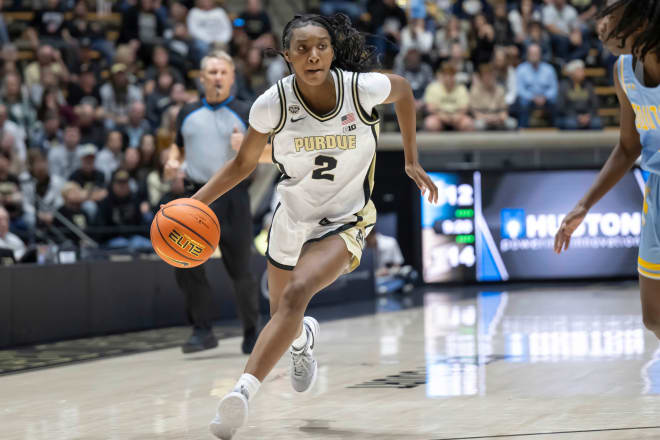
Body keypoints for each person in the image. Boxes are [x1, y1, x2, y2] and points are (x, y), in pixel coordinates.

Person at [190, 13, 438, 439]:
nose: (313, 55)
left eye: (321, 45)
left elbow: (404, 91)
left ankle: (240, 396)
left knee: (298, 292)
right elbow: (242, 164)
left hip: (346, 219)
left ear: (332, 50)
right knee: (283, 315)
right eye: (302, 48)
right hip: (292, 216)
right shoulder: (272, 103)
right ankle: (302, 339)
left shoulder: (359, 89)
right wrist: (193, 204)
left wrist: (411, 158)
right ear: (287, 56)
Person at [555, 0, 660, 340]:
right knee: (654, 317)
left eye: (610, 12)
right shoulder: (623, 71)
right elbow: (629, 147)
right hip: (656, 192)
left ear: (641, 21)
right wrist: (584, 205)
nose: (600, 21)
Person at [165, 50, 269, 355]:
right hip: (195, 197)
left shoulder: (245, 111)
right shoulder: (186, 112)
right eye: (212, 72)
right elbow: (178, 148)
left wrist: (246, 148)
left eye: (223, 72)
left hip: (233, 197)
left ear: (233, 77)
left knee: (240, 270)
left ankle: (252, 333)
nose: (218, 77)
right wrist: (172, 162)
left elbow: (266, 154)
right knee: (186, 265)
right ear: (202, 78)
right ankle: (202, 330)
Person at [557, 59, 603, 130]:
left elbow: (595, 104)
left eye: (582, 70)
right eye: (579, 70)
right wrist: (577, 117)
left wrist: (588, 116)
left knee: (597, 123)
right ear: (571, 73)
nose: (583, 72)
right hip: (571, 117)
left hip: (588, 116)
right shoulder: (564, 86)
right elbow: (561, 107)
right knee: (570, 124)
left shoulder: (588, 85)